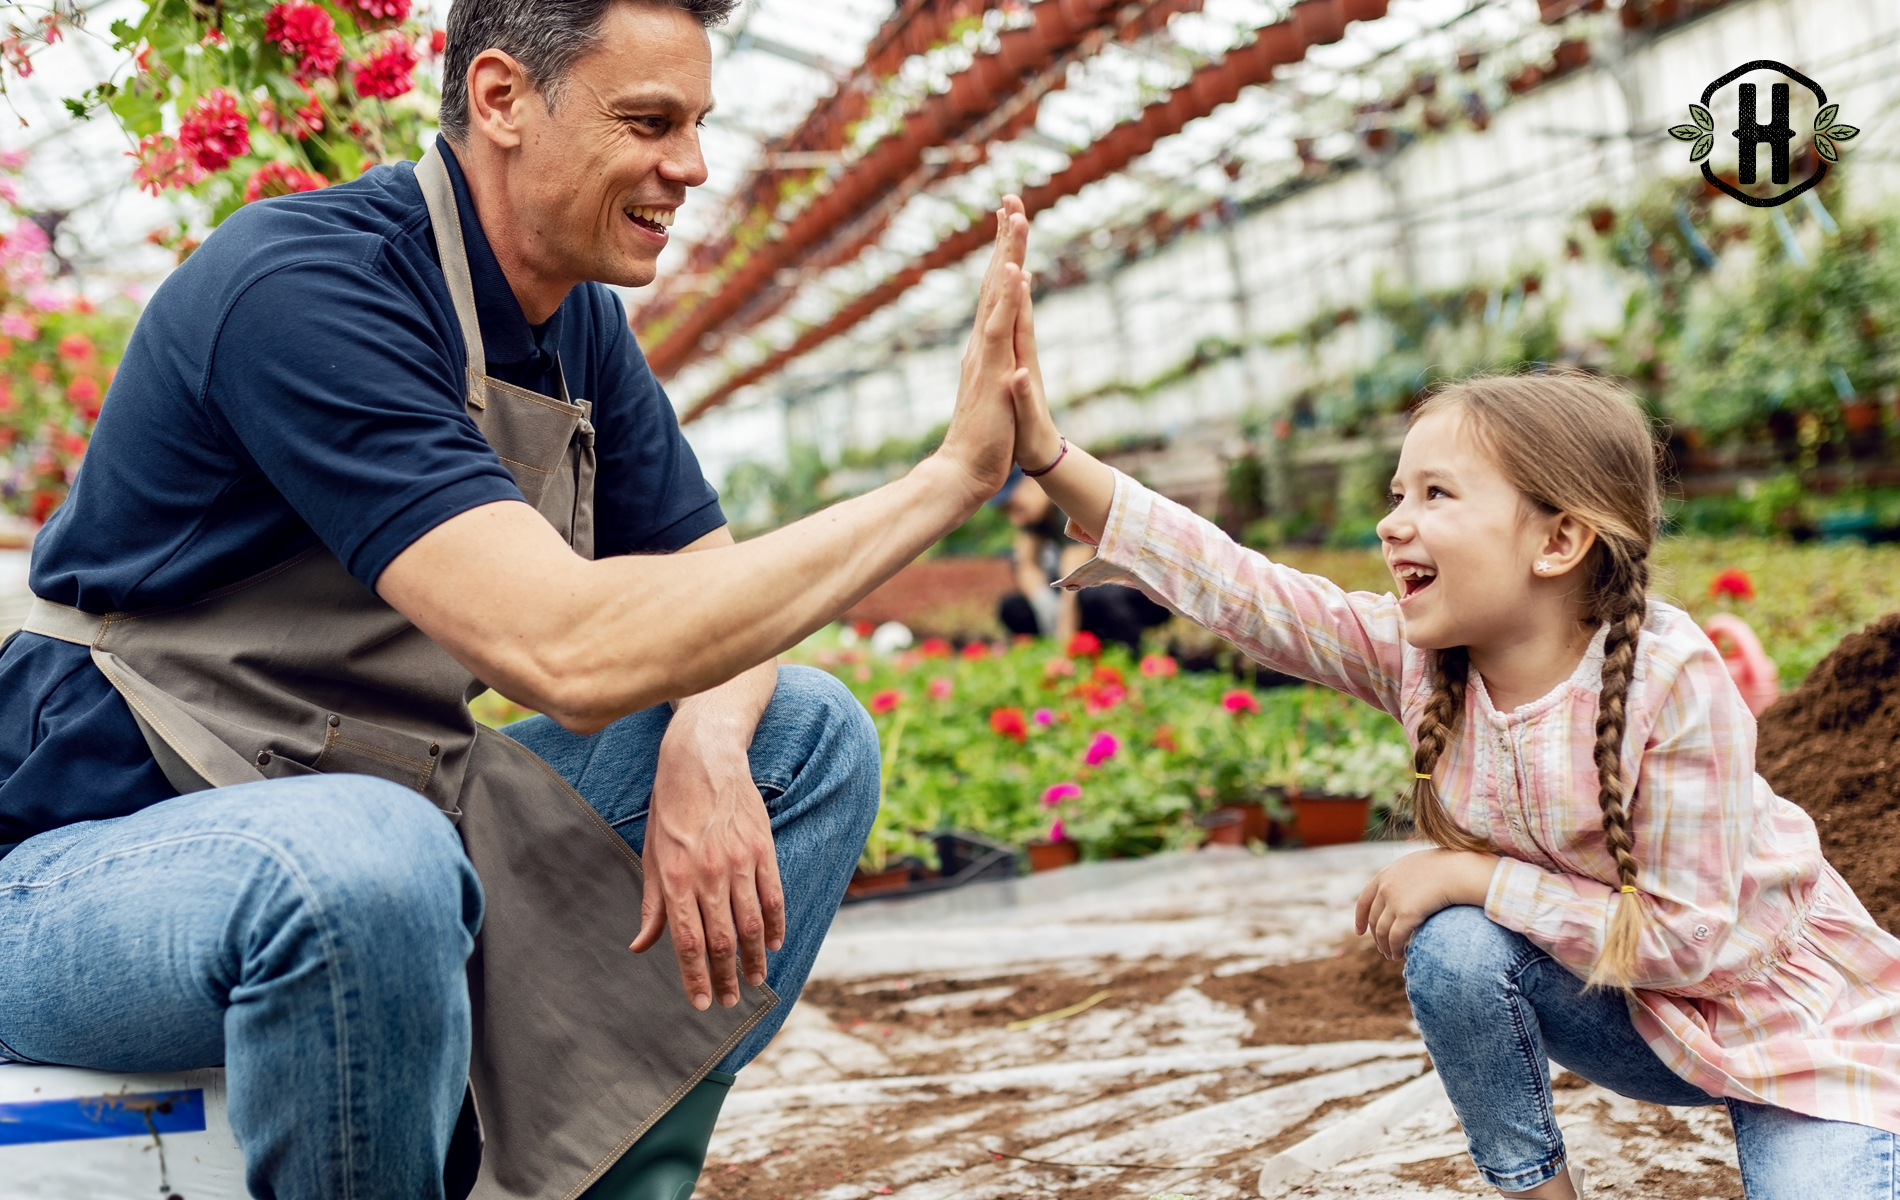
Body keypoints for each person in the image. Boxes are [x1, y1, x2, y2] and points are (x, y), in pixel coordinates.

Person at [0, 2, 1034, 1198]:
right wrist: (947, 481)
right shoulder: (304, 284)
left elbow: (718, 583)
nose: (690, 167)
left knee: (800, 740)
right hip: (86, 866)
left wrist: (705, 736)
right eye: (648, 122)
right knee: (362, 863)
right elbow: (567, 655)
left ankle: (600, 1180)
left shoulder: (571, 322)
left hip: (375, 798)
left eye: (697, 124)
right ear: (499, 99)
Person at [1001, 273, 1900, 1199]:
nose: (1394, 523)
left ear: (1558, 542)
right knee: (1457, 949)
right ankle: (1534, 1190)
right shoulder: (1419, 657)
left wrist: (1474, 874)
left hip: (1790, 1027)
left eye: (1436, 494)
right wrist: (1049, 455)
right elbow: (1246, 589)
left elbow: (1691, 945)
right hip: (1638, 1021)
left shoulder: (1671, 679)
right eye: (1398, 492)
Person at [992, 465, 1170, 652]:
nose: (1015, 520)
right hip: (1100, 583)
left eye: (1016, 507)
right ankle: (1092, 649)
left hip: (1151, 588)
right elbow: (1026, 565)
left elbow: (1073, 579)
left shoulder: (1072, 499)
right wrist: (1042, 601)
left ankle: (1133, 656)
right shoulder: (1036, 515)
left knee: (1090, 596)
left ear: (1032, 484)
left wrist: (1063, 651)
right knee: (1013, 607)